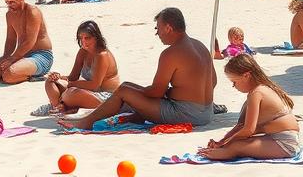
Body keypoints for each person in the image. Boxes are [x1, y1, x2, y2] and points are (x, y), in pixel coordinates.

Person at [56, 8, 216, 129]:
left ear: (168, 28)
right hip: (207, 112)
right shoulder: (200, 46)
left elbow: (156, 92)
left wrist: (139, 93)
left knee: (125, 91)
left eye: (157, 28)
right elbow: (213, 82)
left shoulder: (171, 53)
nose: (157, 34)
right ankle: (134, 114)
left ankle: (84, 123)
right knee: (126, 86)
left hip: (187, 114)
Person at [198, 54, 300, 160]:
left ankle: (224, 154)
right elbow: (241, 126)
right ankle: (225, 149)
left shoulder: (256, 93)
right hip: (283, 138)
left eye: (234, 82)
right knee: (235, 142)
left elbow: (248, 130)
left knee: (236, 147)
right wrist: (221, 142)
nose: (234, 86)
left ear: (246, 76)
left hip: (286, 144)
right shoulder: (262, 88)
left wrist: (226, 144)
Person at [39, 19, 120, 114]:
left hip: (106, 97)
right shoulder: (83, 52)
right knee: (50, 82)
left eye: (87, 38)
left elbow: (94, 85)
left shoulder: (102, 55)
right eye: (81, 38)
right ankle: (60, 106)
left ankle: (62, 105)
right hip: (87, 92)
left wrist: (70, 85)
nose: (83, 41)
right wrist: (58, 77)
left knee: (71, 94)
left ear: (96, 37)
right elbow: (73, 77)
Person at [0, 0, 54, 84]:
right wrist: (6, 57)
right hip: (21, 55)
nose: (9, 5)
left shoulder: (32, 12)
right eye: (7, 2)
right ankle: (21, 71)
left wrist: (12, 60)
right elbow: (11, 40)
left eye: (12, 2)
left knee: (9, 75)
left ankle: (36, 77)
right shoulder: (9, 15)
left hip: (41, 56)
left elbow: (30, 41)